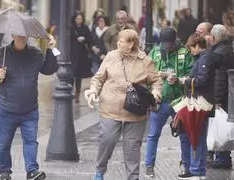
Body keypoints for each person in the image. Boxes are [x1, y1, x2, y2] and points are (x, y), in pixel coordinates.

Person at [85, 29, 163, 180]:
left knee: (132, 147)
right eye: (118, 40)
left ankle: (133, 177)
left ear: (132, 43)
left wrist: (156, 93)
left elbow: (156, 81)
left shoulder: (145, 61)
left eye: (122, 40)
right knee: (107, 140)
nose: (118, 42)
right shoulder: (111, 56)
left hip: (135, 112)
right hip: (110, 108)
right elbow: (99, 77)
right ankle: (100, 171)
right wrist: (93, 90)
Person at [0, 34, 58, 180]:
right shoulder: (2, 53)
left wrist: (52, 49)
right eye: (19, 35)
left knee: (31, 142)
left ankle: (32, 170)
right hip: (6, 109)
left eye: (25, 35)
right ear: (13, 35)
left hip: (29, 109)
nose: (22, 37)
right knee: (2, 143)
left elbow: (49, 69)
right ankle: (4, 172)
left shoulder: (35, 53)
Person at [144, 27, 193, 178]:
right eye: (165, 44)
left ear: (174, 41)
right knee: (153, 134)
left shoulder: (184, 53)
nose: (167, 47)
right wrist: (152, 90)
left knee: (184, 135)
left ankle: (186, 165)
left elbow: (191, 73)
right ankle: (149, 166)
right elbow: (147, 74)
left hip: (180, 100)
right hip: (161, 100)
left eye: (170, 44)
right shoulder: (155, 52)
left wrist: (178, 79)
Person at [177, 33, 215, 179]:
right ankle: (198, 170)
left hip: (200, 103)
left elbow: (202, 80)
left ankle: (196, 170)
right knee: (199, 136)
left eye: (191, 48)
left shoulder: (204, 58)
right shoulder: (202, 58)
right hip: (202, 102)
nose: (190, 51)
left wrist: (186, 81)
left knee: (197, 136)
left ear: (198, 46)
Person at [208, 24, 234, 169]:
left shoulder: (218, 53)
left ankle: (222, 158)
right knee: (224, 126)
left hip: (221, 96)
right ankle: (224, 157)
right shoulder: (228, 49)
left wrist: (216, 100)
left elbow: (219, 79)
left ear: (213, 38)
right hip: (227, 94)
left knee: (221, 126)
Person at [70, 11, 94, 103]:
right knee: (71, 74)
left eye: (80, 18)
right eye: (77, 18)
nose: (79, 20)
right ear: (74, 19)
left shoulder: (85, 28)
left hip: (82, 54)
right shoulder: (71, 28)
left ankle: (77, 95)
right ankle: (70, 93)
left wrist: (84, 38)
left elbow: (90, 39)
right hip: (72, 54)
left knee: (78, 76)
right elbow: (68, 39)